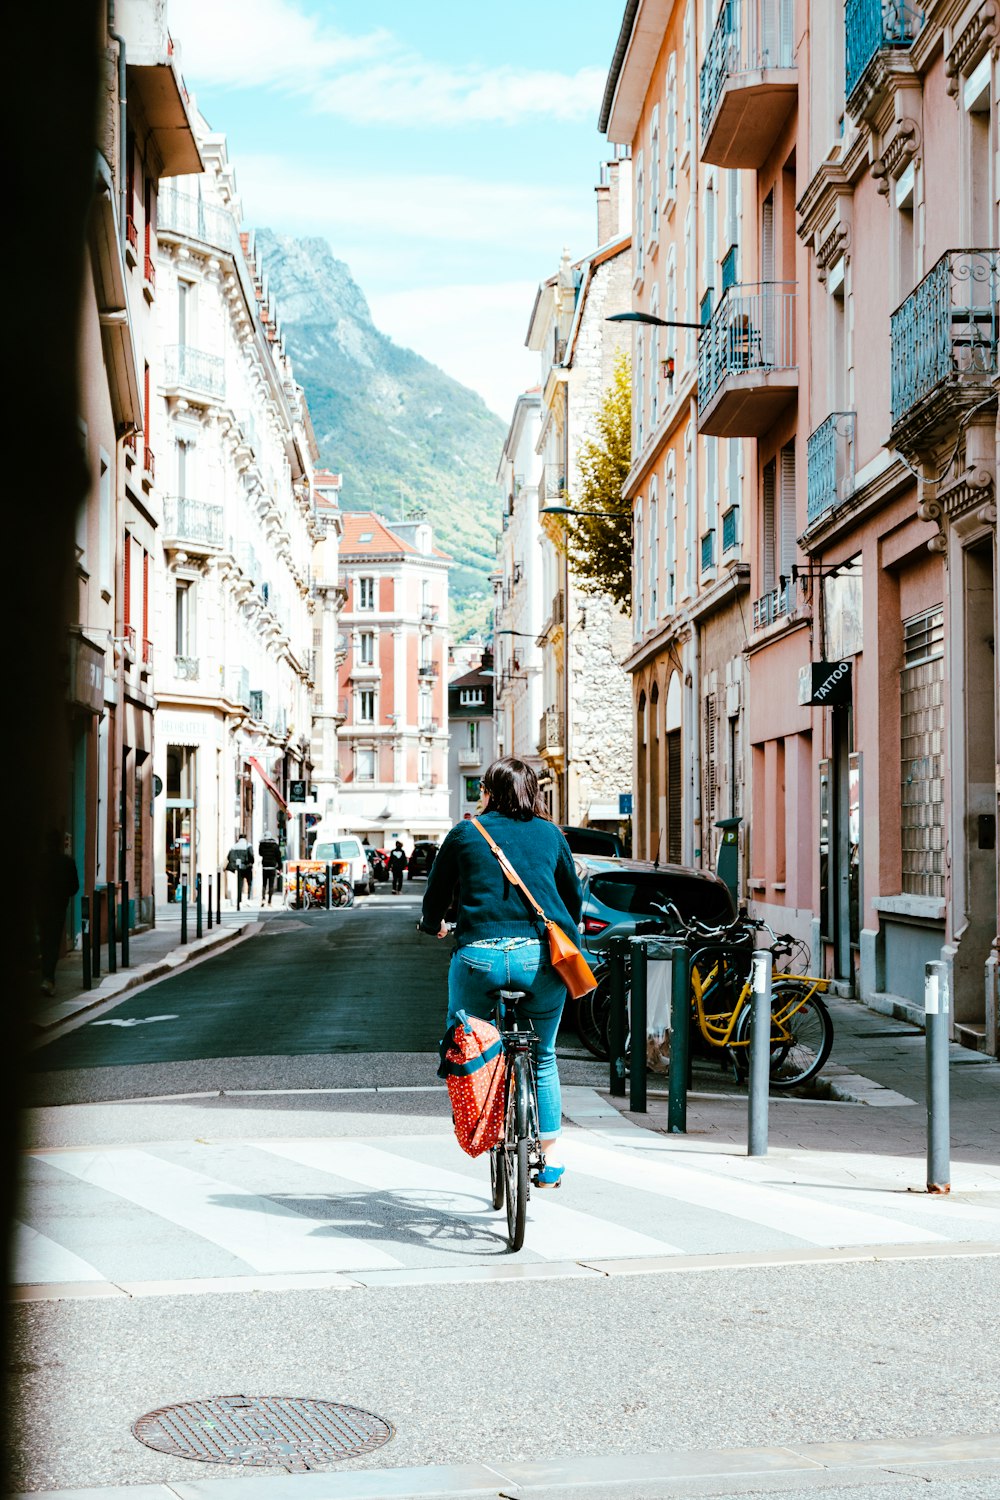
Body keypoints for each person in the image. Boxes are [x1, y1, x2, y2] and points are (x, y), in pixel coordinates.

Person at [419, 756, 582, 1188]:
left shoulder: (466, 832)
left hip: (480, 957)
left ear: (486, 791)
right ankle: (549, 1159)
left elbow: (436, 893)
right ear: (534, 791)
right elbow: (572, 899)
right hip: (540, 959)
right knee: (543, 1055)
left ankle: (480, 1117)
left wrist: (433, 923)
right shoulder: (551, 835)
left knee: (469, 1042)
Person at [38, 829, 80, 996]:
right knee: (53, 943)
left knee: (44, 940)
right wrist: (62, 895)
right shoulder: (67, 862)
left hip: (41, 907)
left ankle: (46, 977)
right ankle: (48, 978)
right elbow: (74, 887)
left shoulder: (39, 862)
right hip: (58, 908)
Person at [226, 832, 254, 905]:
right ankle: (249, 898)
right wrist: (251, 862)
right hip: (247, 867)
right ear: (245, 838)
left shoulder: (234, 846)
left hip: (239, 867)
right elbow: (251, 855)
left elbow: (229, 857)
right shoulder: (248, 845)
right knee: (250, 883)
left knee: (240, 884)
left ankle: (239, 899)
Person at [258, 829, 282, 906]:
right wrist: (279, 866)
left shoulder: (261, 844)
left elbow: (260, 853)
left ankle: (263, 899)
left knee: (264, 884)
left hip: (264, 866)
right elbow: (278, 856)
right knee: (271, 885)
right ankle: (269, 901)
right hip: (272, 866)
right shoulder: (275, 845)